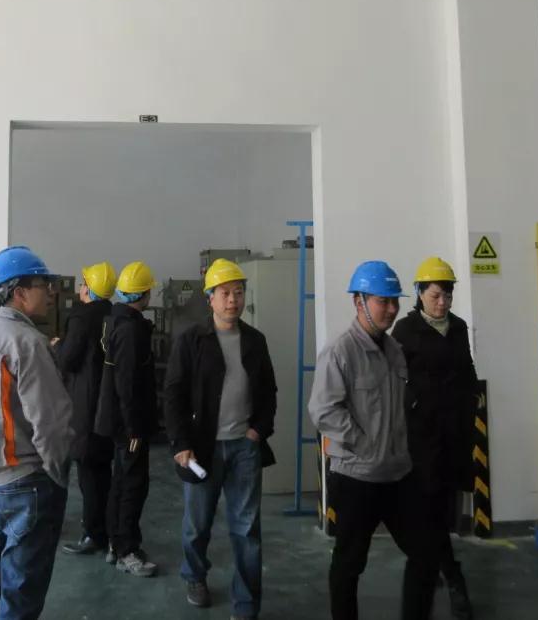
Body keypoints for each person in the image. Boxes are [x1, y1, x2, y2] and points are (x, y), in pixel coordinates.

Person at [308, 260, 437, 620]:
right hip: (356, 478)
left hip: (398, 475)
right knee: (350, 564)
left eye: (394, 301)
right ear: (359, 302)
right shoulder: (340, 352)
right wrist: (363, 443)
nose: (392, 309)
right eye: (383, 301)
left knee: (426, 553)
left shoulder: (394, 349)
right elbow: (323, 410)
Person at [0, 246, 74, 620]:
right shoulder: (28, 342)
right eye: (43, 285)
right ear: (20, 291)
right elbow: (51, 422)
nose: (50, 293)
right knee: (21, 590)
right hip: (27, 482)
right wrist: (57, 474)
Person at [165, 259, 278, 620]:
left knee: (247, 530)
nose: (233, 300)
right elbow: (174, 394)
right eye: (225, 293)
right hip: (203, 448)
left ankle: (246, 603)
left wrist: (258, 430)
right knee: (197, 524)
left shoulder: (255, 340)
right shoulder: (192, 341)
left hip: (244, 447)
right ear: (210, 298)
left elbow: (268, 392)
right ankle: (194, 575)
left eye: (239, 293)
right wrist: (181, 443)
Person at [391, 257, 477, 620]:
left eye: (447, 295)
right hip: (420, 440)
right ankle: (452, 577)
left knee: (441, 513)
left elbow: (467, 371)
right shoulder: (405, 331)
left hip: (454, 437)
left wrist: (469, 407)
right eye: (435, 295)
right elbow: (394, 380)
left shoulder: (457, 328)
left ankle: (438, 568)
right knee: (427, 514)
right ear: (420, 294)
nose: (442, 303)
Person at [94, 260, 159, 576]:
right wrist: (134, 427)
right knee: (133, 485)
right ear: (144, 294)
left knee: (120, 482)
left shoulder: (114, 321)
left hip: (117, 419)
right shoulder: (131, 330)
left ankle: (115, 543)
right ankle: (126, 550)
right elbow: (128, 383)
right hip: (128, 423)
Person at [56, 261, 117, 556]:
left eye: (84, 284)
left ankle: (93, 534)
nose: (80, 288)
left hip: (85, 404)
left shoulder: (81, 317)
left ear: (89, 290)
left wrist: (59, 346)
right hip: (108, 405)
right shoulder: (114, 316)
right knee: (103, 471)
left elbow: (68, 360)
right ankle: (105, 528)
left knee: (88, 473)